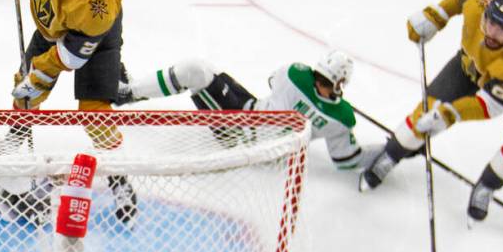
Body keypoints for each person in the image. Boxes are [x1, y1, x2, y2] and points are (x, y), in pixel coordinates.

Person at [359, 0, 503, 222]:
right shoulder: (481, 2)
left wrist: (449, 114)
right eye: (490, 21)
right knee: (426, 112)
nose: (491, 32)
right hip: (473, 65)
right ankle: (391, 154)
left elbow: (488, 105)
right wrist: (436, 15)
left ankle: (488, 185)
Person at [0, 0, 137, 223]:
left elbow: (69, 57)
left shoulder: (100, 7)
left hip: (94, 40)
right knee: (25, 94)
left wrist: (38, 76)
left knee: (93, 112)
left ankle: (119, 178)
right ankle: (13, 144)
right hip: (51, 26)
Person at [117, 51, 371, 170]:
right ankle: (131, 91)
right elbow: (347, 159)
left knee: (194, 70)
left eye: (325, 81)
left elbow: (273, 80)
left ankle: (128, 93)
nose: (319, 82)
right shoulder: (342, 116)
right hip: (250, 114)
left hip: (242, 136)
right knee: (201, 69)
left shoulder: (295, 73)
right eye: (320, 77)